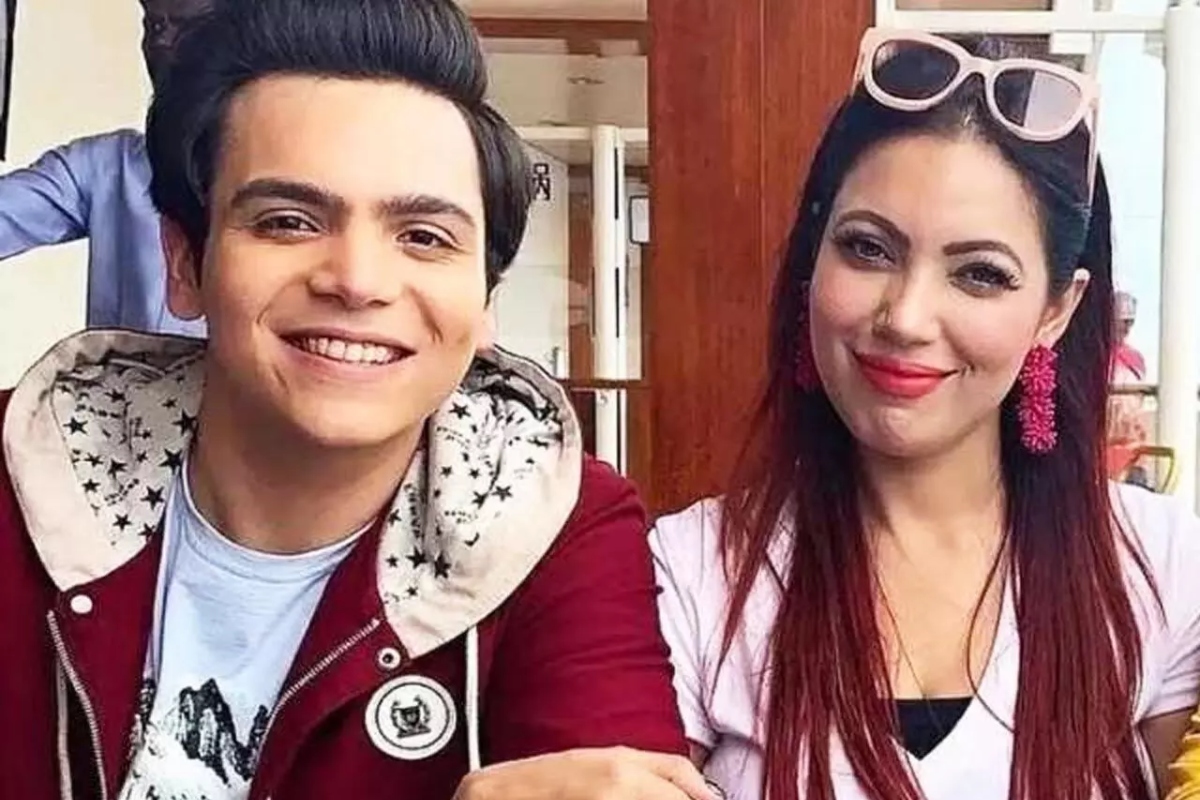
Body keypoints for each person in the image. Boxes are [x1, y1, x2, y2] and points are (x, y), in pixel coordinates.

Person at [0, 0, 716, 798]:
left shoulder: (552, 514)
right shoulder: (22, 468)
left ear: (486, 298)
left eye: (424, 237)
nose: (358, 281)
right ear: (185, 264)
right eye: (288, 221)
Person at [649, 30, 1200, 800]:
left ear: (1058, 309)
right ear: (813, 258)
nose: (905, 317)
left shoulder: (1161, 567)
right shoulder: (690, 572)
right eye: (868, 249)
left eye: (980, 274)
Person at [0, 0, 212, 336]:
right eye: (154, 26)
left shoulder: (276, 168)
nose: (161, 40)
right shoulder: (106, 166)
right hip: (120, 372)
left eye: (184, 25)